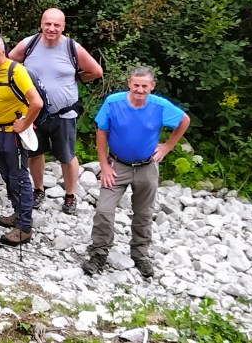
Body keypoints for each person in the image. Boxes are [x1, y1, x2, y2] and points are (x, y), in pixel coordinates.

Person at [81, 67, 190, 279]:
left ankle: (140, 254)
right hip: (117, 165)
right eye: (136, 85)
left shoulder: (159, 106)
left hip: (147, 166)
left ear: (152, 86)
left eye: (144, 86)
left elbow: (184, 120)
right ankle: (99, 253)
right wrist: (104, 165)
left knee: (144, 213)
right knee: (104, 209)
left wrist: (167, 146)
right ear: (129, 84)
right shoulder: (113, 102)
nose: (140, 90)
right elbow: (101, 132)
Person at [9, 8, 103, 214]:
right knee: (35, 152)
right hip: (35, 112)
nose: (51, 28)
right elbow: (9, 65)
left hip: (64, 113)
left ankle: (70, 195)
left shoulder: (72, 47)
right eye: (48, 24)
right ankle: (38, 189)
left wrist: (76, 77)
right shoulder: (29, 44)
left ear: (63, 27)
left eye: (56, 25)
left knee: (67, 155)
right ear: (41, 24)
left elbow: (96, 71)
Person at [0, 34, 43, 247]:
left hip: (13, 134)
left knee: (19, 178)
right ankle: (17, 214)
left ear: (3, 51)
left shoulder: (16, 71)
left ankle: (24, 227)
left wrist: (24, 124)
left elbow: (37, 102)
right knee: (7, 176)